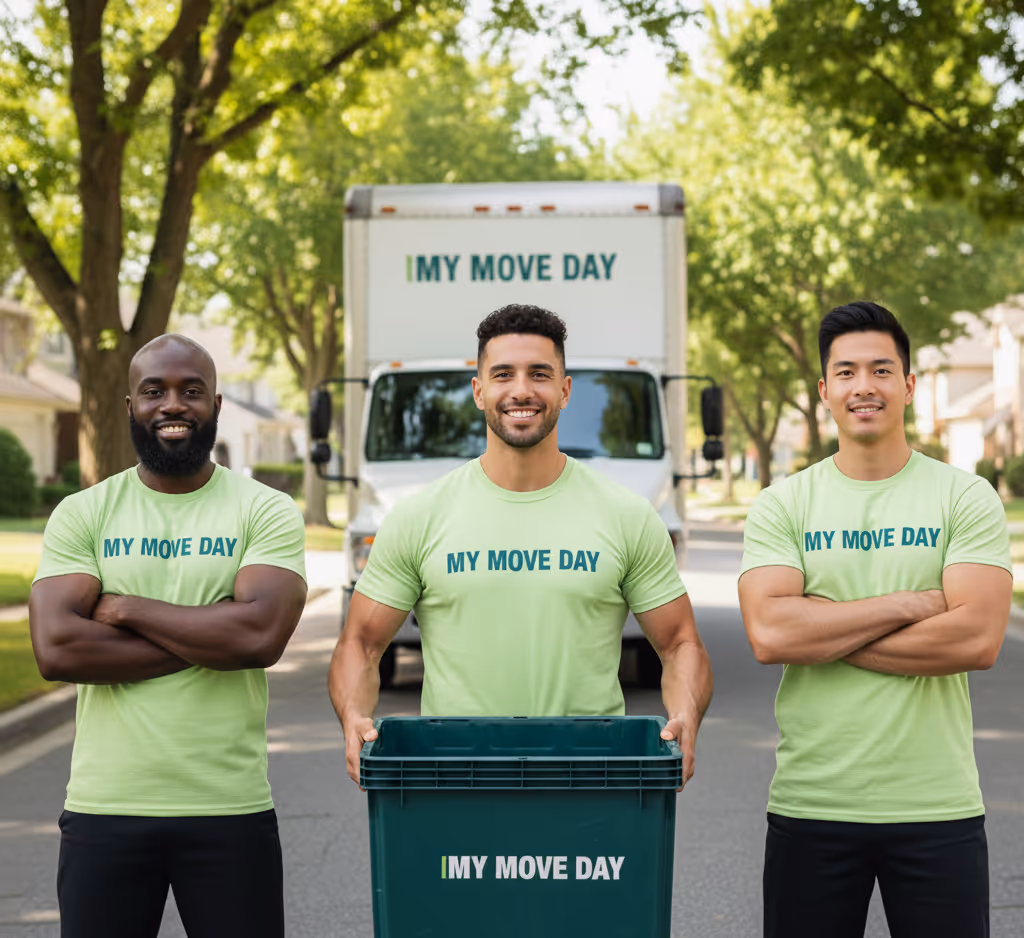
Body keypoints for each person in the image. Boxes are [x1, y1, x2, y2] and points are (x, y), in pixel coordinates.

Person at [329, 304, 713, 783]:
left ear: (565, 390)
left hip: (591, 780)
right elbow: (361, 644)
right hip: (455, 779)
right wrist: (353, 716)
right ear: (479, 390)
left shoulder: (626, 515)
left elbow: (680, 643)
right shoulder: (418, 517)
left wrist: (686, 714)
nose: (521, 390)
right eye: (503, 374)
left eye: (540, 374)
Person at [739, 301, 1011, 938]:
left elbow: (977, 638)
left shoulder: (962, 496)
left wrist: (825, 628)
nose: (865, 386)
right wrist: (914, 603)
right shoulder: (785, 504)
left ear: (909, 386)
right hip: (812, 805)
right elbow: (771, 634)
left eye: (882, 370)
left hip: (937, 808)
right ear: (825, 390)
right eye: (848, 372)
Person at [29, 335, 307, 938]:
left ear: (217, 404)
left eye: (191, 391)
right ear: (130, 406)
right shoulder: (84, 512)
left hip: (229, 807)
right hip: (105, 808)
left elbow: (259, 637)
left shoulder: (265, 509)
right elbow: (57, 649)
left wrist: (125, 608)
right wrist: (212, 629)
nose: (172, 405)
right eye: (154, 391)